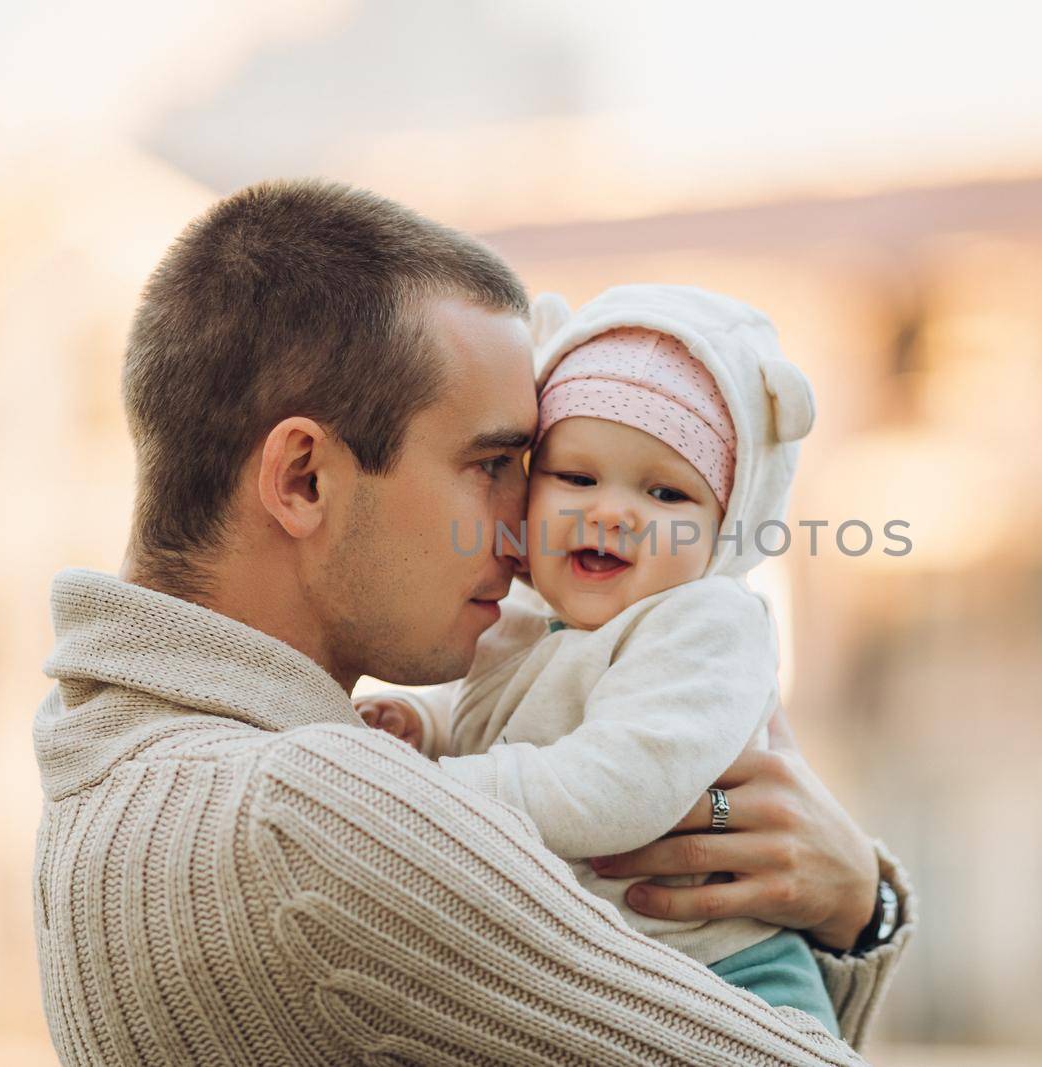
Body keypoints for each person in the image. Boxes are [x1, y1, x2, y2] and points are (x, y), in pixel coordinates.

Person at [33, 179, 914, 1066]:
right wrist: (861, 903)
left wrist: (817, 888)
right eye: (493, 462)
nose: (522, 521)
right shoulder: (305, 817)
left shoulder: (113, 762)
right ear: (304, 478)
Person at [355, 285, 840, 1032]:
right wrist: (428, 721)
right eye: (577, 478)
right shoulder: (530, 619)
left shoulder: (704, 622)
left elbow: (618, 782)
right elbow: (514, 723)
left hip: (728, 977)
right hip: (620, 973)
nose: (612, 511)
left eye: (667, 492)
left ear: (726, 528)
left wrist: (435, 788)